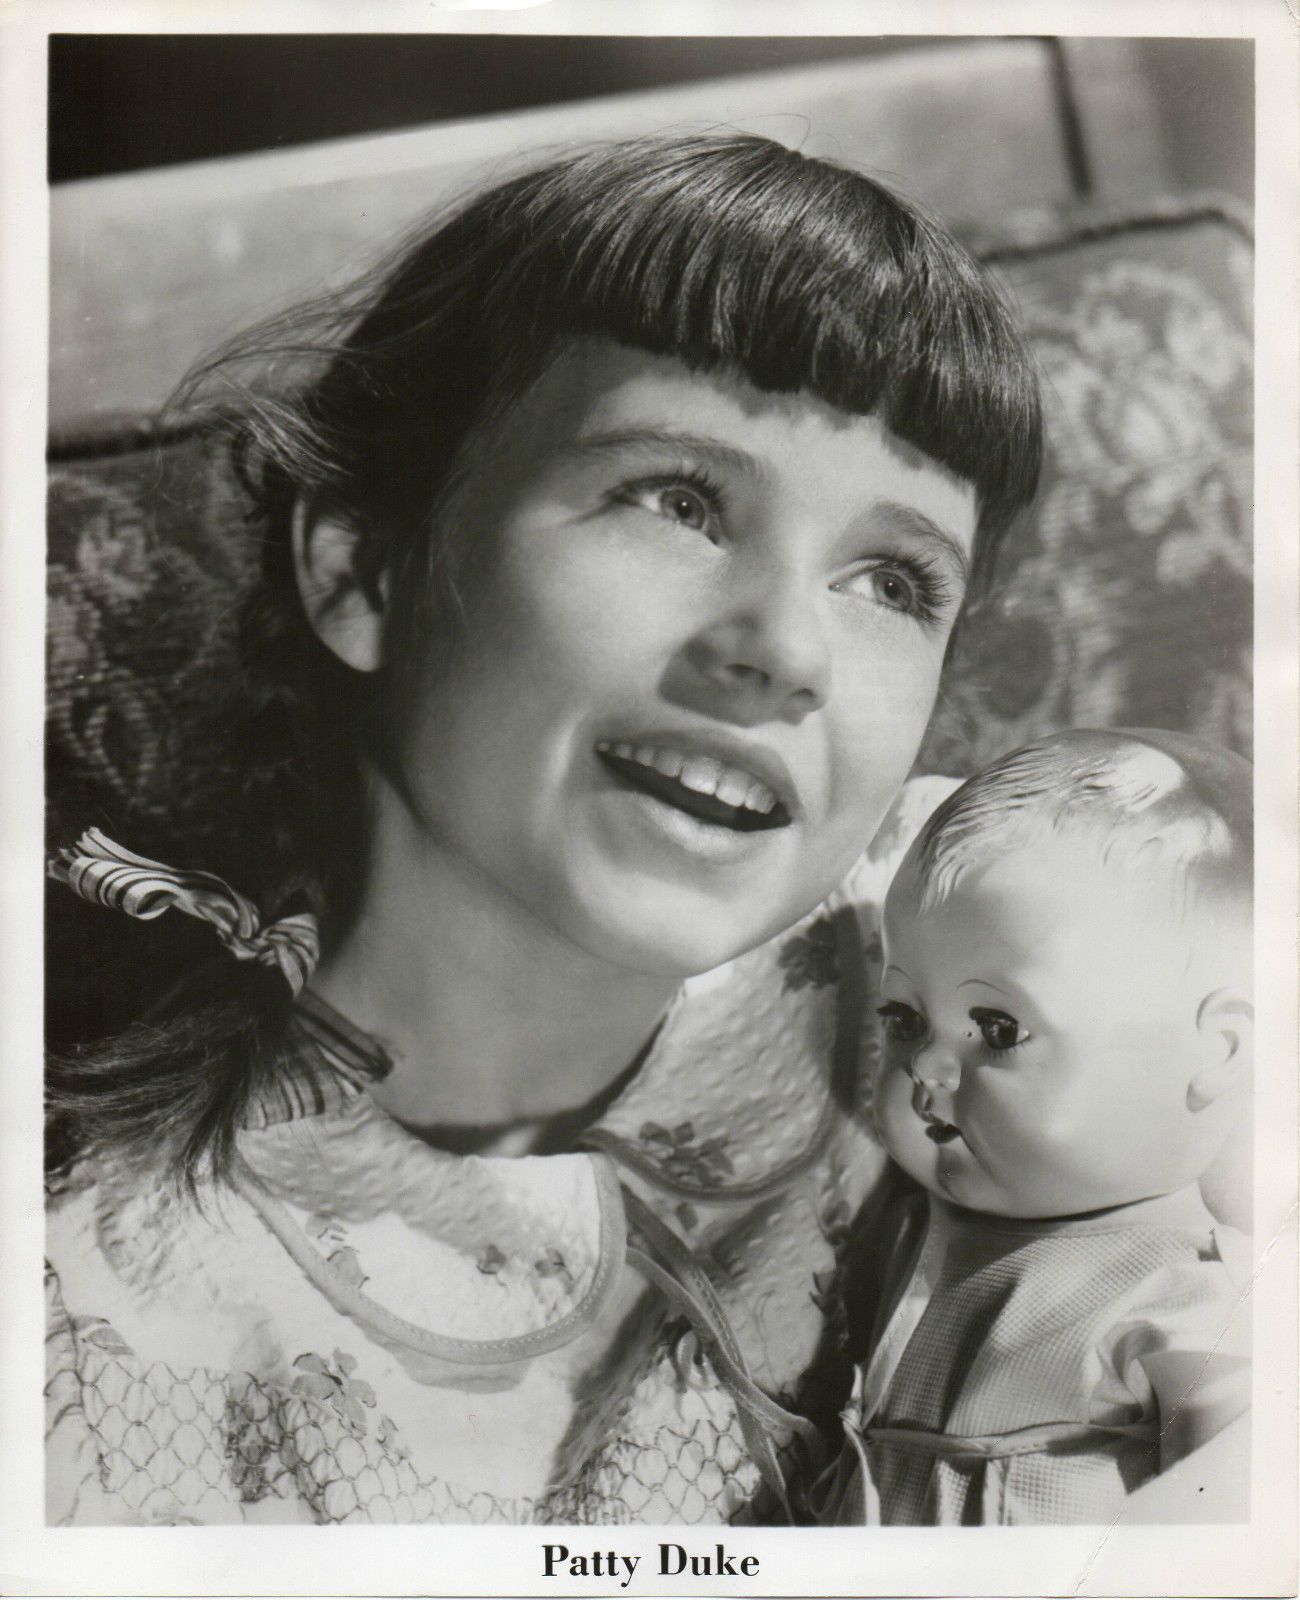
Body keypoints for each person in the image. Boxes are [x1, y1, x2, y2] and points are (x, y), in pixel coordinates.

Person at [43, 133, 1042, 1525]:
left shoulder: (974, 949)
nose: (785, 649)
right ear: (362, 571)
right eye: (678, 501)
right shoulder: (99, 1347)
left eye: (892, 580)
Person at [818, 728, 1252, 1526]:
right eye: (905, 1019)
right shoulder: (907, 1237)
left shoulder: (1192, 1301)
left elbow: (1248, 1517)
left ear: (1215, 1053)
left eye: (998, 1029)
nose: (928, 1067)